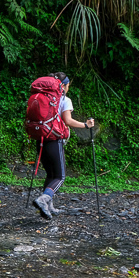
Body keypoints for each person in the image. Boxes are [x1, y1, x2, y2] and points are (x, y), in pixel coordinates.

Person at [32, 72, 95, 219]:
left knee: (51, 174)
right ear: (64, 85)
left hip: (41, 138)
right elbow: (68, 120)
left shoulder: (43, 98)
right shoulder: (64, 99)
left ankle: (48, 207)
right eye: (68, 85)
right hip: (55, 139)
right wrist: (86, 125)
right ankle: (43, 199)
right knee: (60, 177)